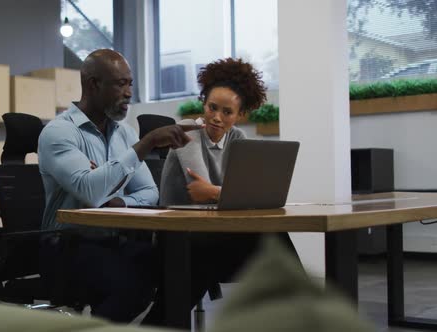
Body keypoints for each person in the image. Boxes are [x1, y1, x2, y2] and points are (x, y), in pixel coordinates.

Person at [37, 48, 202, 323]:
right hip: (67, 245)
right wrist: (145, 144)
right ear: (93, 84)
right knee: (132, 285)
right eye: (120, 84)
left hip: (115, 241)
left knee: (186, 270)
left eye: (130, 84)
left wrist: (120, 201)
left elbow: (149, 192)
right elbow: (91, 192)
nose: (128, 92)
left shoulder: (123, 134)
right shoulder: (59, 133)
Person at [143, 57, 299, 325]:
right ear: (203, 103)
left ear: (238, 115)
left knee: (273, 237)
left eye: (227, 112)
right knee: (216, 260)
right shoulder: (187, 131)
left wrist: (218, 192)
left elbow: (239, 194)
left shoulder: (237, 138)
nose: (216, 117)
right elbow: (199, 189)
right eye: (212, 107)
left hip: (214, 235)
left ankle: (299, 312)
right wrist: (227, 193)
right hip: (178, 238)